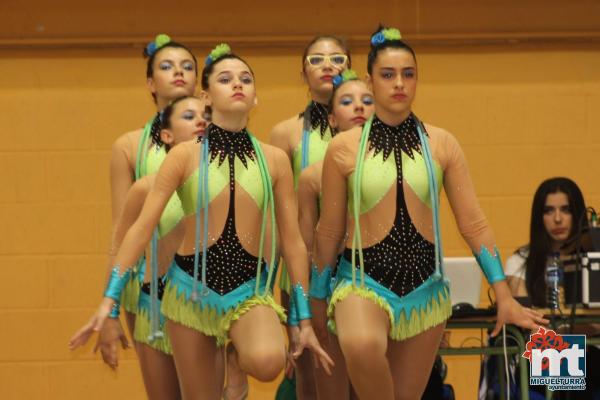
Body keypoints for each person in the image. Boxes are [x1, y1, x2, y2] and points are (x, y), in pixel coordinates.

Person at [70, 44, 332, 400]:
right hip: (190, 290)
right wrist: (109, 301)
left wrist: (302, 321)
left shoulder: (273, 161)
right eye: (225, 79)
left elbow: (292, 241)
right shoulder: (184, 155)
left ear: (256, 97)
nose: (237, 84)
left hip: (247, 292)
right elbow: (141, 227)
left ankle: (235, 357)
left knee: (269, 361)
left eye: (245, 79)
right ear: (206, 96)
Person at [312, 26, 548, 400]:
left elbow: (473, 222)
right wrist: (316, 298)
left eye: (408, 74)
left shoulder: (441, 143)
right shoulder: (343, 148)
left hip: (425, 291)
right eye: (388, 75)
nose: (399, 83)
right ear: (370, 81)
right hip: (362, 282)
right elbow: (328, 231)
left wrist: (503, 293)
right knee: (359, 345)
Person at [270, 34, 351, 399]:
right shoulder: (286, 133)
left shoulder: (368, 129)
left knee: (354, 372)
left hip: (356, 266)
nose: (328, 65)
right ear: (303, 71)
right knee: (309, 372)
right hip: (303, 268)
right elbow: (279, 213)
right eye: (317, 59)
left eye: (337, 58)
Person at [297, 69, 374, 400]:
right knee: (331, 384)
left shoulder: (401, 167)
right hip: (327, 285)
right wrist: (304, 307)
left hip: (381, 283)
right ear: (331, 118)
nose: (359, 107)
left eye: (367, 100)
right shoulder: (312, 176)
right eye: (347, 101)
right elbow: (303, 245)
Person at [503, 177, 600, 399]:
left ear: (578, 214)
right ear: (539, 217)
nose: (558, 219)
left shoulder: (595, 258)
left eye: (565, 210)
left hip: (589, 354)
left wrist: (562, 331)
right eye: (549, 211)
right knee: (562, 361)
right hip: (541, 355)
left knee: (578, 360)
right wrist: (576, 330)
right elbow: (528, 323)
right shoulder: (520, 261)